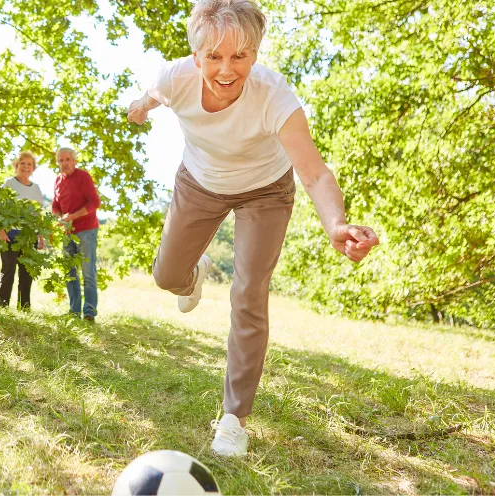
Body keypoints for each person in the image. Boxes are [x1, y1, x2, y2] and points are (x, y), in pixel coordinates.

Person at [126, 0, 379, 457]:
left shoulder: (274, 96)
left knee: (248, 292)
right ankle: (194, 273)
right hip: (200, 182)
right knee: (166, 276)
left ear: (256, 54)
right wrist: (140, 106)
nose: (226, 69)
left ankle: (234, 418)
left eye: (239, 56)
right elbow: (152, 94)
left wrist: (335, 224)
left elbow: (316, 173)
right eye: (214, 57)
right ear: (196, 55)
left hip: (266, 191)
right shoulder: (175, 77)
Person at [52, 147, 101, 322]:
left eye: (67, 159)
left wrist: (73, 216)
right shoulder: (58, 180)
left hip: (87, 230)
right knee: (70, 273)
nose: (64, 163)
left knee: (88, 272)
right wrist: (61, 218)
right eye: (61, 160)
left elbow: (95, 202)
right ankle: (74, 311)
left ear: (74, 161)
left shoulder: (83, 177)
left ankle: (89, 312)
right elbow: (55, 206)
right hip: (67, 232)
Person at [0, 151, 46, 310]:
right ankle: (2, 308)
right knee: (8, 272)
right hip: (10, 236)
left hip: (28, 237)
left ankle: (24, 308)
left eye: (29, 164)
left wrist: (40, 236)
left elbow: (38, 215)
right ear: (16, 165)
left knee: (26, 275)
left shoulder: (36, 189)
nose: (26, 167)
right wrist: (0, 231)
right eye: (22, 163)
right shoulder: (9, 183)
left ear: (33, 168)